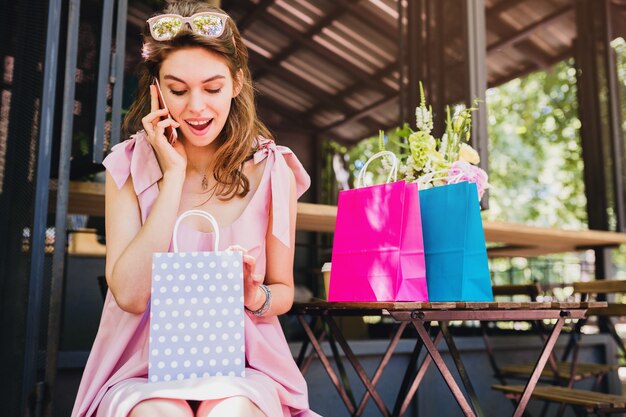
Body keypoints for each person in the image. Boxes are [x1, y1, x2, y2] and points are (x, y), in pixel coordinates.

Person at [71, 2, 320, 416]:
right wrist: (172, 177)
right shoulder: (128, 166)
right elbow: (131, 295)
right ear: (156, 89)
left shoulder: (273, 168)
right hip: (139, 371)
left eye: (213, 87)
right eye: (179, 89)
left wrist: (250, 293)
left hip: (243, 366)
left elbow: (283, 290)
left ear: (237, 83)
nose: (197, 108)